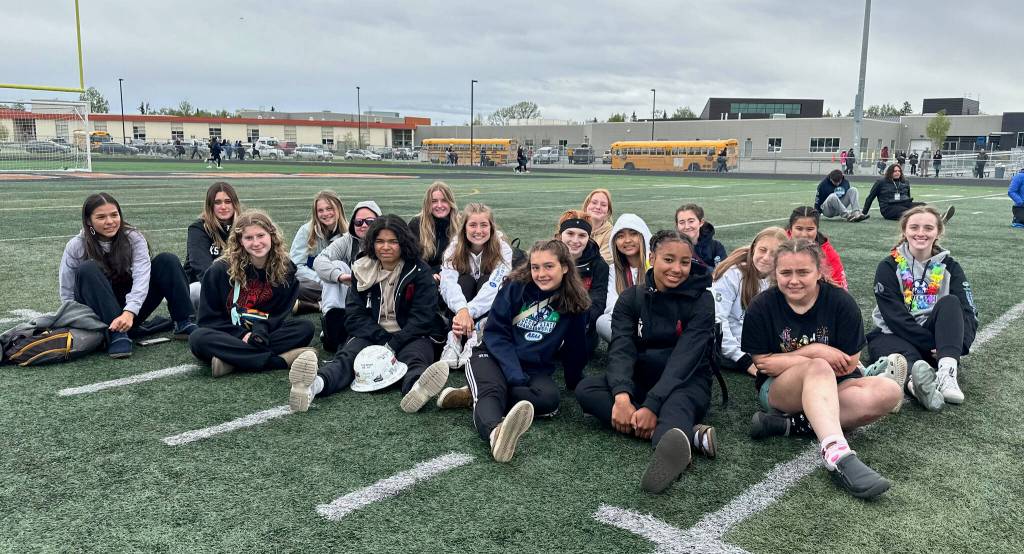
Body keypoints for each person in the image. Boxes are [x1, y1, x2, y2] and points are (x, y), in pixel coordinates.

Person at [742, 239, 903, 499]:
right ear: (775, 274)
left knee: (890, 391)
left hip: (838, 383)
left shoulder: (840, 302)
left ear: (819, 271)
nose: (794, 280)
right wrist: (817, 351)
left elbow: (849, 363)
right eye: (785, 273)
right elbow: (764, 364)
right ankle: (837, 453)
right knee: (818, 367)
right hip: (781, 389)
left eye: (803, 272)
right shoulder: (762, 306)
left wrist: (793, 359)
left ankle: (789, 425)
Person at [576, 230, 718, 493]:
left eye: (684, 262)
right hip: (642, 378)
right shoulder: (631, 297)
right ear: (652, 258)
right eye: (668, 260)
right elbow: (621, 349)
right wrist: (621, 396)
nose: (677, 269)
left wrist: (652, 405)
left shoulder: (702, 300)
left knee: (677, 406)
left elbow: (685, 358)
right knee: (587, 389)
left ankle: (669, 443)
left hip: (685, 382)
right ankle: (686, 435)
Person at [288, 215, 448, 414]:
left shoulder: (420, 271)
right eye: (380, 241)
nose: (385, 247)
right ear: (372, 243)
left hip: (411, 334)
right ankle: (312, 386)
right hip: (372, 333)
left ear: (404, 243)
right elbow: (354, 315)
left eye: (393, 241)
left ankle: (417, 389)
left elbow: (423, 318)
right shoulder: (362, 268)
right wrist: (383, 340)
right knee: (347, 358)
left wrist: (395, 343)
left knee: (414, 358)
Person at [462, 240, 590, 462]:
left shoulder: (575, 301)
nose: (541, 274)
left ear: (564, 267)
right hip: (492, 355)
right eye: (535, 267)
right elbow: (496, 334)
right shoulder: (515, 286)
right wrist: (514, 375)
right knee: (491, 392)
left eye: (548, 266)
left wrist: (575, 380)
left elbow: (575, 346)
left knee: (549, 400)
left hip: (532, 367)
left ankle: (477, 394)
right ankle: (496, 433)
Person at [867, 206, 978, 411]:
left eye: (928, 228)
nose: (921, 233)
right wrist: (934, 344)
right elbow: (894, 318)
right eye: (914, 227)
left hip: (936, 341)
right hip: (894, 334)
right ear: (905, 231)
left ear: (938, 232)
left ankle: (947, 374)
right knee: (898, 359)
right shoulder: (889, 266)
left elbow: (968, 310)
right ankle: (916, 386)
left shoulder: (950, 266)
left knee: (951, 302)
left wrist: (958, 346)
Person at [59, 193, 196, 359]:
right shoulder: (76, 245)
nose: (110, 221)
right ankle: (117, 335)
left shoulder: (133, 237)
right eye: (101, 217)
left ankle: (183, 322)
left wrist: (129, 312)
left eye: (114, 215)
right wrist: (79, 323)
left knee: (167, 261)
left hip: (130, 312)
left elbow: (142, 278)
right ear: (89, 221)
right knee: (88, 268)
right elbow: (67, 294)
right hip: (98, 316)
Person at [188, 210, 317, 377]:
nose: (256, 243)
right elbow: (208, 321)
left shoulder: (286, 270)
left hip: (265, 334)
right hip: (229, 334)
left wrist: (259, 332)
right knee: (198, 338)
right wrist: (243, 335)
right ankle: (278, 361)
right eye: (248, 238)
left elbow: (277, 316)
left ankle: (231, 361)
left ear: (272, 235)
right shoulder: (219, 270)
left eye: (261, 235)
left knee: (305, 328)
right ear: (240, 241)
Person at [436, 203, 513, 384]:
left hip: (485, 309)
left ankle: (474, 338)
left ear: (491, 227)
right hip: (460, 309)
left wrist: (467, 312)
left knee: (486, 280)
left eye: (484, 225)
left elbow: (494, 287)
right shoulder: (454, 248)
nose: (478, 231)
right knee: (465, 281)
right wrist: (462, 310)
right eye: (472, 225)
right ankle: (454, 339)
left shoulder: (503, 249)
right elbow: (448, 284)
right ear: (464, 228)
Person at [712, 227, 789, 376]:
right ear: (753, 249)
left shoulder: (782, 277)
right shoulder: (732, 274)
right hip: (730, 348)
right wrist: (744, 360)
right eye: (762, 250)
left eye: (774, 254)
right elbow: (717, 321)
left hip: (760, 346)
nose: (766, 258)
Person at [313, 200, 383, 352]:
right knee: (337, 265)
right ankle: (331, 322)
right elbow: (319, 261)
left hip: (381, 294)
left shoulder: (386, 241)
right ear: (352, 224)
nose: (363, 225)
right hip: (353, 294)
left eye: (370, 222)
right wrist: (340, 276)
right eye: (358, 222)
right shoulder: (347, 240)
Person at [554, 210, 609, 353]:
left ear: (589, 237)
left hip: (581, 325)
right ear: (560, 235)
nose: (575, 240)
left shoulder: (599, 265)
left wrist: (575, 325)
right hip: (549, 320)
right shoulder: (548, 258)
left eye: (582, 235)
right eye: (570, 233)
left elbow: (598, 302)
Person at [289, 190, 347, 314]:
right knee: (290, 286)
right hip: (315, 283)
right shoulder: (306, 231)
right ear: (315, 213)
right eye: (320, 210)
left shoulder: (348, 233)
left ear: (339, 209)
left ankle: (318, 306)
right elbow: (296, 265)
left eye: (329, 208)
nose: (325, 213)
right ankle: (337, 302)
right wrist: (322, 279)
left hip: (340, 282)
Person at [596, 214, 652, 343]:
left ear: (643, 235)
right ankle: (633, 348)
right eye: (620, 236)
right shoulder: (613, 270)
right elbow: (612, 305)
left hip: (653, 322)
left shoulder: (654, 265)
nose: (627, 240)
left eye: (633, 234)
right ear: (614, 242)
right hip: (627, 323)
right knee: (602, 322)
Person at [185, 182, 241, 308]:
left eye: (228, 201)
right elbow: (202, 266)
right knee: (195, 290)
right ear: (210, 205)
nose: (223, 207)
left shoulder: (244, 227)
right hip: (203, 285)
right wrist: (224, 291)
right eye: (217, 202)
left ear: (235, 204)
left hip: (236, 285)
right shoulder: (198, 229)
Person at [787, 207, 847, 289]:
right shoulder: (778, 244)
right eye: (799, 229)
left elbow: (840, 286)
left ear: (817, 230)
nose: (804, 234)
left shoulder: (828, 253)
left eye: (810, 229)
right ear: (790, 229)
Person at [408, 181, 459, 277]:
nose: (439, 205)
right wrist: (430, 273)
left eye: (444, 200)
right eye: (434, 201)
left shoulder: (460, 224)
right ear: (427, 204)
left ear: (450, 202)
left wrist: (442, 272)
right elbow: (411, 257)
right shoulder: (416, 224)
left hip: (452, 274)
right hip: (423, 275)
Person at [675, 203, 726, 270]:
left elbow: (724, 271)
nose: (687, 226)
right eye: (682, 222)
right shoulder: (673, 248)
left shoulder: (716, 246)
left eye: (691, 221)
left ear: (701, 222)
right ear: (677, 225)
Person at [581, 188, 614, 263]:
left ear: (608, 211)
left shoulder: (611, 234)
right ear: (586, 206)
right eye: (594, 202)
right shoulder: (574, 226)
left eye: (603, 205)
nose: (598, 207)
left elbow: (602, 263)